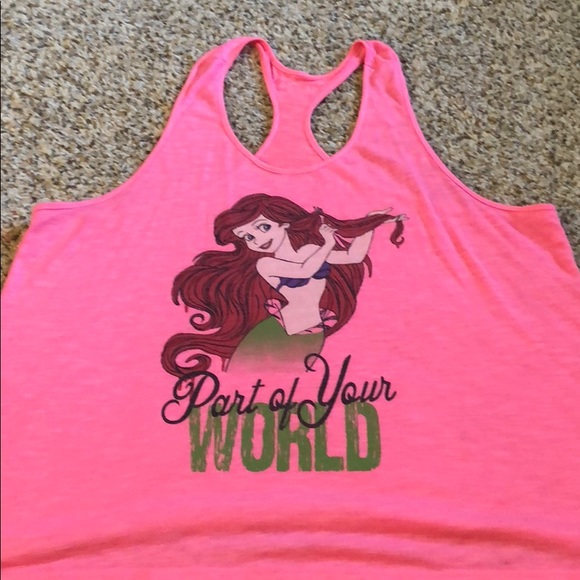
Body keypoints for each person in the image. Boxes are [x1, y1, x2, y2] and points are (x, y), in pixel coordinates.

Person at [161, 193, 407, 376]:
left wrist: (370, 223)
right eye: (248, 237)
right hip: (279, 333)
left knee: (287, 386)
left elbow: (353, 256)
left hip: (310, 332)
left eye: (263, 227)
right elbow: (304, 270)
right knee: (249, 381)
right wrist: (327, 244)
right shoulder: (266, 264)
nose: (258, 239)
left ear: (284, 222)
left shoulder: (310, 250)